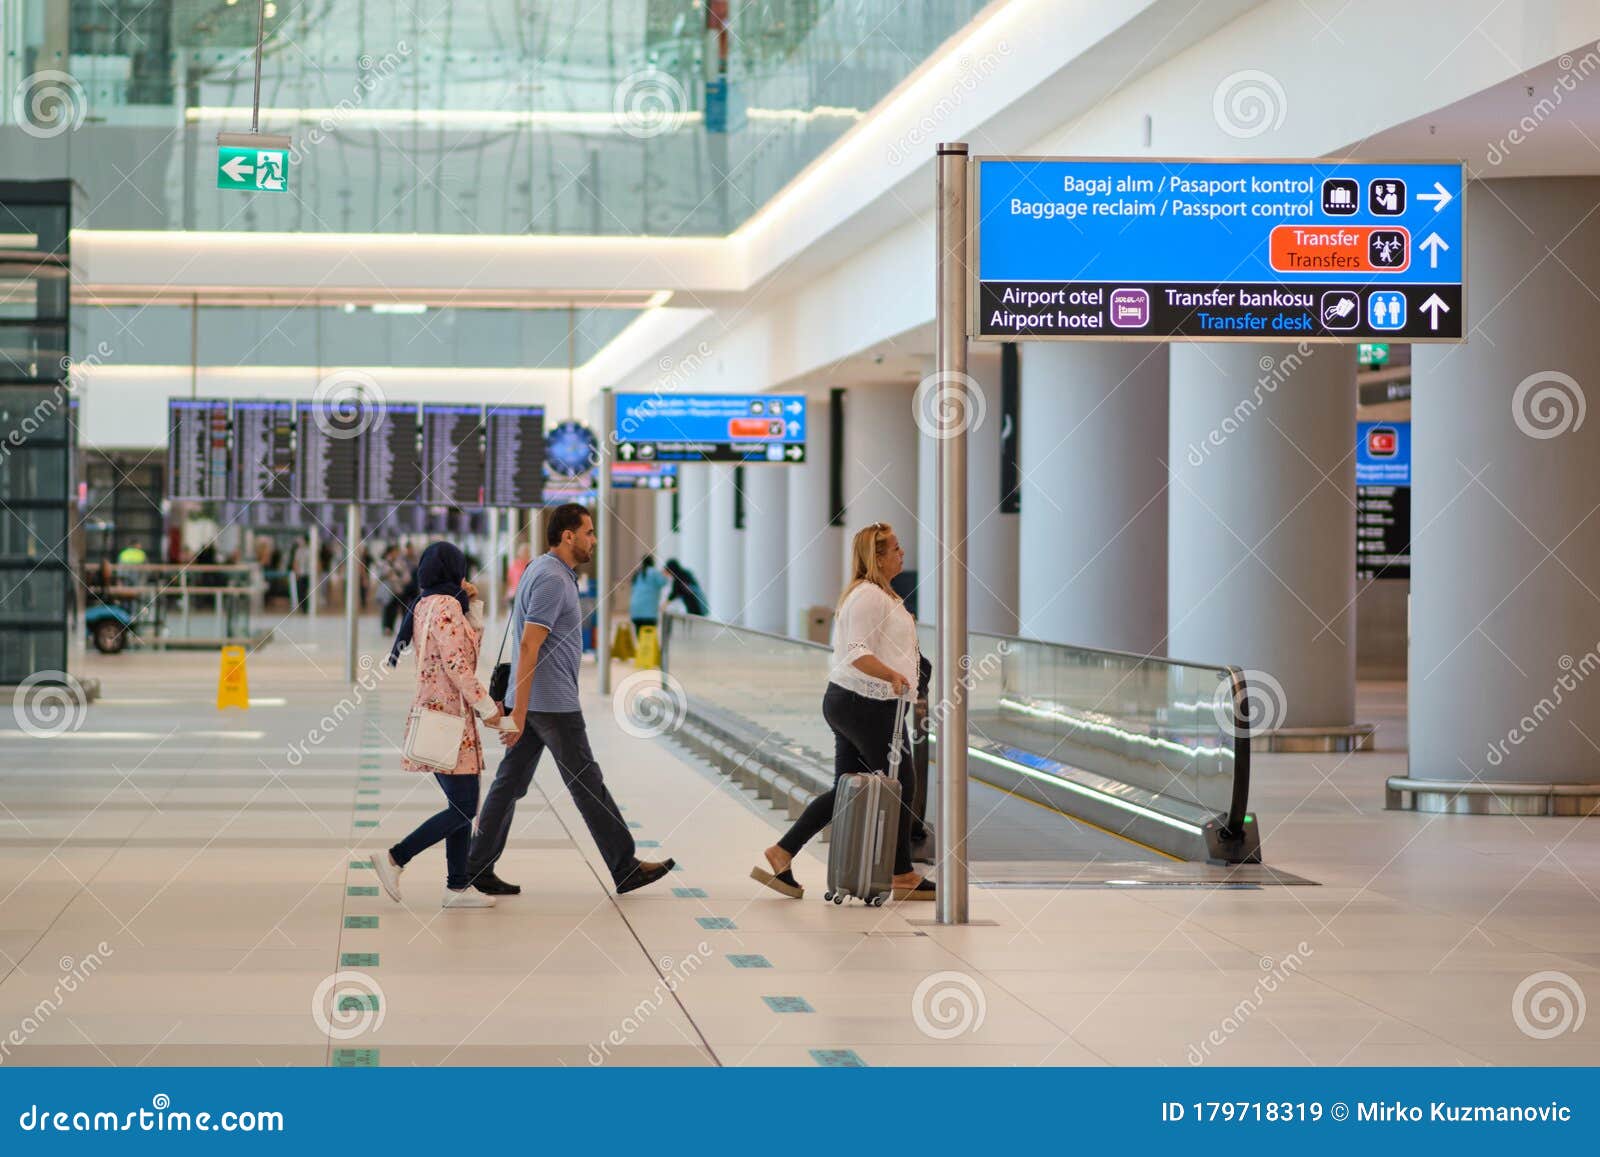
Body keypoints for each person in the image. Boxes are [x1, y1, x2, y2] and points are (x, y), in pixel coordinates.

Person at [466, 503, 674, 897]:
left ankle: (477, 865)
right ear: (568, 536)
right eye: (589, 533)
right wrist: (521, 713)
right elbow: (529, 645)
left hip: (537, 699)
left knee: (510, 784)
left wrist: (518, 708)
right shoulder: (552, 580)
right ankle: (624, 865)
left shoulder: (546, 571)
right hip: (551, 703)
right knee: (587, 783)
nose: (594, 540)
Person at [750, 522, 934, 902]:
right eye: (896, 549)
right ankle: (901, 873)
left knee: (848, 790)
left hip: (854, 701)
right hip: (865, 703)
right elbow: (857, 651)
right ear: (878, 557)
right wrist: (893, 676)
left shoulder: (879, 594)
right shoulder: (869, 596)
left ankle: (783, 851)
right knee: (903, 783)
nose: (903, 554)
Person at [370, 542, 503, 910]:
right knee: (463, 806)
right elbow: (459, 664)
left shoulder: (428, 603)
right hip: (448, 719)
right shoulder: (444, 605)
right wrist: (487, 706)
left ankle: (457, 887)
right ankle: (395, 858)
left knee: (461, 803)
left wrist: (472, 606)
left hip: (441, 715)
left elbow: (467, 647)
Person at [629, 554, 669, 635]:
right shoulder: (653, 572)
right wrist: (664, 573)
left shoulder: (637, 573)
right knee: (648, 637)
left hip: (635, 611)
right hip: (649, 613)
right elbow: (664, 582)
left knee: (640, 637)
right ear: (652, 562)